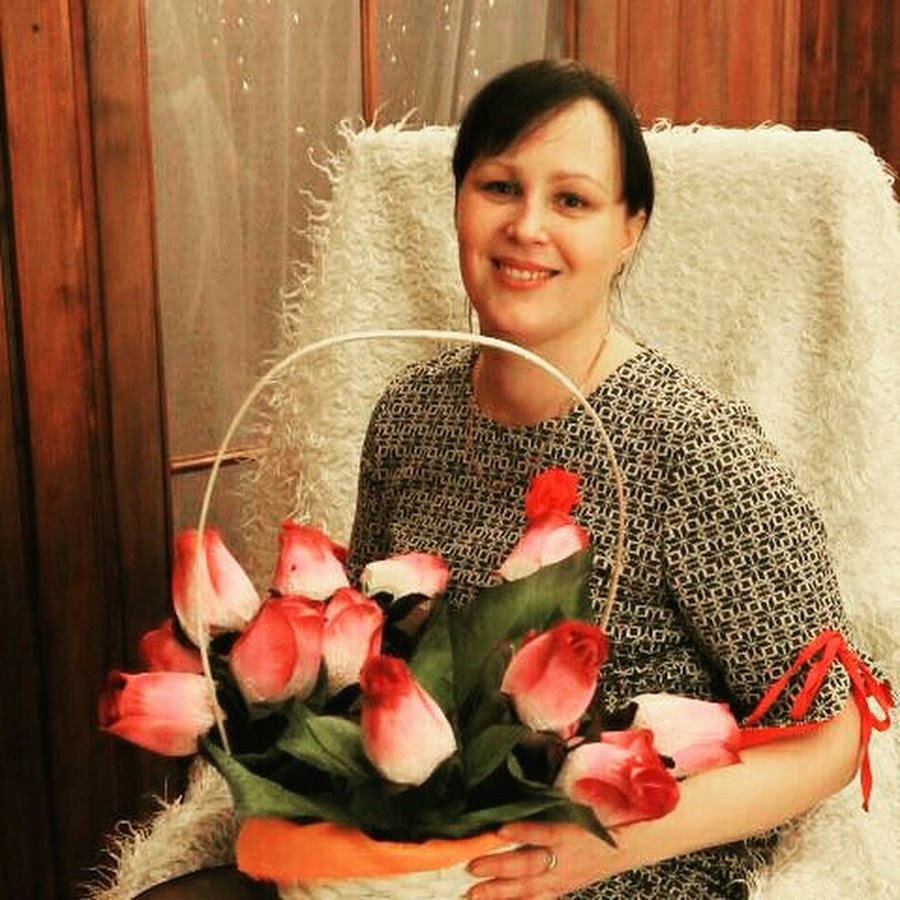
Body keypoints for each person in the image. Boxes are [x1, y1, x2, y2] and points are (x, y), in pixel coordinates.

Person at [347, 59, 874, 899]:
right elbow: (363, 653)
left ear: (630, 229)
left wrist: (611, 844)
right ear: (458, 202)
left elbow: (832, 738)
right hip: (418, 859)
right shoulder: (408, 416)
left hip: (623, 871)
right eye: (499, 187)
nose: (527, 226)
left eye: (572, 200)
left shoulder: (695, 453)